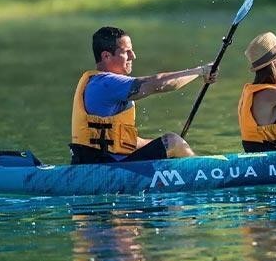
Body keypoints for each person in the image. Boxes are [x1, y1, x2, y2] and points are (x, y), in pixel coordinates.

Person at [70, 26, 216, 164]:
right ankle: (206, 172)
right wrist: (200, 71)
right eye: (126, 51)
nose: (133, 56)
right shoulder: (106, 83)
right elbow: (158, 84)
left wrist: (160, 149)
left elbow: (123, 141)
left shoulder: (98, 83)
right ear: (107, 56)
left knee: (169, 145)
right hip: (104, 168)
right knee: (173, 142)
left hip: (99, 163)